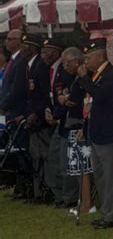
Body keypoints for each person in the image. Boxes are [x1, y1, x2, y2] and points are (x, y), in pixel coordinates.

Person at [77, 38, 113, 229]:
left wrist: (84, 78)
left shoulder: (112, 74)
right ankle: (107, 212)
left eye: (88, 58)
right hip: (95, 132)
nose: (86, 62)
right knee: (101, 176)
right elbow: (91, 103)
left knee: (110, 177)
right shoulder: (96, 74)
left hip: (109, 133)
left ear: (99, 56)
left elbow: (100, 95)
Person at [41, 38, 78, 209]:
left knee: (66, 162)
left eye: (66, 63)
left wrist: (57, 113)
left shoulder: (74, 76)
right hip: (61, 121)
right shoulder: (59, 71)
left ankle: (69, 197)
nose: (64, 67)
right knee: (55, 158)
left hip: (71, 123)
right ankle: (60, 194)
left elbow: (70, 100)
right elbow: (58, 97)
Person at [60, 47, 95, 215]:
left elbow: (84, 102)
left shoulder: (84, 78)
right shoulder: (74, 78)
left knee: (83, 168)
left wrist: (84, 125)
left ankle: (87, 202)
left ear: (75, 61)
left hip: (80, 125)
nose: (64, 67)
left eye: (66, 63)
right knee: (76, 167)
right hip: (73, 125)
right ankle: (84, 201)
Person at [20, 34, 51, 203]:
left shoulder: (40, 66)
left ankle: (47, 190)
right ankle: (39, 191)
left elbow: (45, 95)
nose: (21, 49)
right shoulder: (30, 66)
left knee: (44, 155)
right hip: (33, 119)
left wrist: (37, 113)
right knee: (36, 155)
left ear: (33, 48)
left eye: (25, 46)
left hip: (40, 120)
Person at [0, 29, 28, 199]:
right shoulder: (14, 61)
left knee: (21, 150)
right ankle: (20, 186)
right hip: (11, 111)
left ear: (19, 40)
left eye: (10, 39)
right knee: (15, 150)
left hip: (17, 111)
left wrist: (3, 105)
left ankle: (25, 187)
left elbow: (17, 89)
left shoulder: (20, 61)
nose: (6, 42)